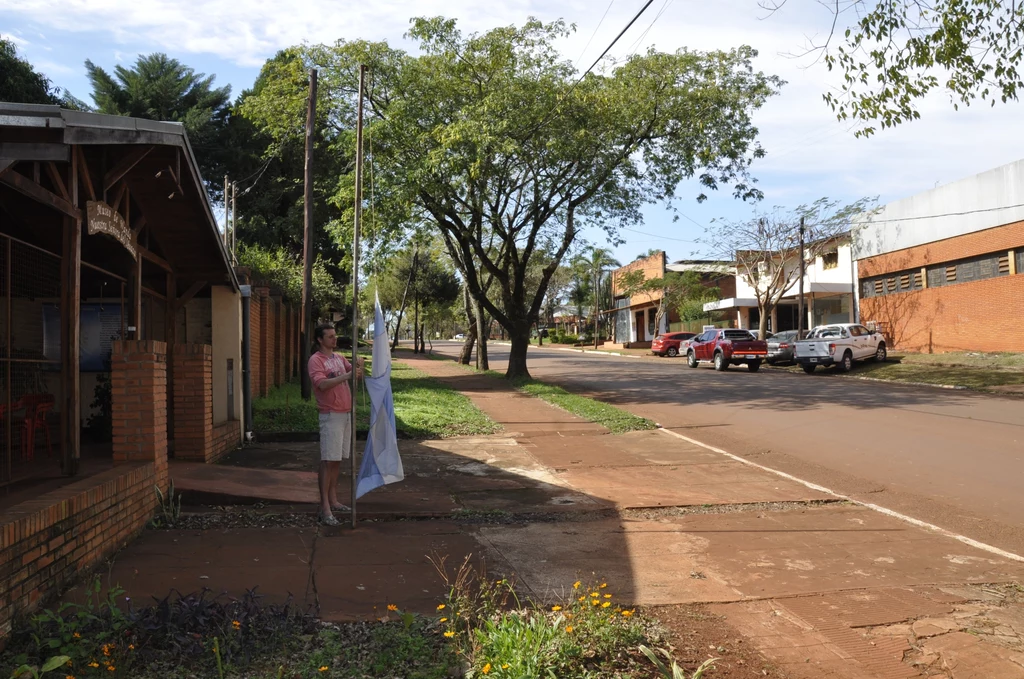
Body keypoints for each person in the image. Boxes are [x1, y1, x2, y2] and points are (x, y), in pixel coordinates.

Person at [307, 323, 364, 526]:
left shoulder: (339, 358)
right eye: (330, 337)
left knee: (337, 459)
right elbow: (321, 384)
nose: (334, 339)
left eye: (335, 335)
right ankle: (325, 508)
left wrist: (359, 366)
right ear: (320, 340)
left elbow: (356, 374)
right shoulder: (316, 360)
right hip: (330, 414)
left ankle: (333, 499)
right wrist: (347, 376)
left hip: (345, 413)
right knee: (327, 460)